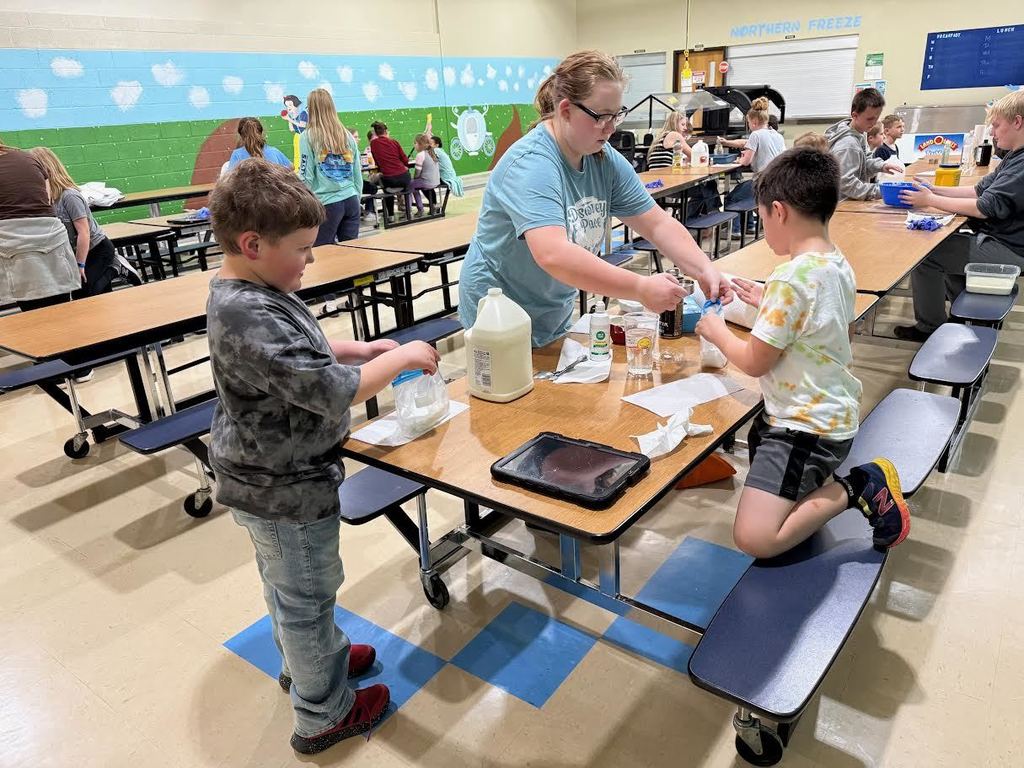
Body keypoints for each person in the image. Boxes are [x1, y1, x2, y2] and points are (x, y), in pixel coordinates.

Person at [206, 159, 440, 755]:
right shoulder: (248, 309)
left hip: (264, 478)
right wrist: (401, 356)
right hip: (283, 487)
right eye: (303, 249)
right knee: (307, 595)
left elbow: (301, 349)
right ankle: (323, 712)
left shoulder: (254, 291)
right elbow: (333, 389)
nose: (311, 260)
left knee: (289, 590)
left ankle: (313, 663)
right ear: (253, 244)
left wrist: (356, 346)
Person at [695, 147, 910, 557]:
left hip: (805, 427)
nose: (764, 230)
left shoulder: (791, 278)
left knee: (755, 538)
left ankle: (861, 485)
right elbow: (833, 327)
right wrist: (768, 302)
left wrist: (716, 331)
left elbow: (755, 362)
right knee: (768, 477)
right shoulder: (835, 262)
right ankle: (797, 496)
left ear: (779, 211)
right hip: (828, 412)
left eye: (761, 218)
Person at [459, 50, 731, 348]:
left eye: (617, 115)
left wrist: (705, 269)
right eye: (601, 117)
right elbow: (553, 254)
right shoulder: (532, 163)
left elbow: (657, 224)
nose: (612, 127)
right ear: (565, 110)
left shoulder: (603, 159)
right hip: (499, 312)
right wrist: (640, 287)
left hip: (550, 308)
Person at [894, 89, 1024, 342]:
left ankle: (929, 327)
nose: (993, 134)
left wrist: (929, 200)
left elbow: (983, 207)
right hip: (1004, 241)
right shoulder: (1014, 158)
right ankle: (962, 314)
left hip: (1013, 250)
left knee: (926, 256)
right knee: (947, 247)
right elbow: (978, 190)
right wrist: (934, 189)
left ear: (1017, 122)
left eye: (997, 126)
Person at [0, 138, 80, 312]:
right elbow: (48, 199)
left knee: (35, 317)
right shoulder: (27, 158)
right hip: (53, 240)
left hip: (16, 247)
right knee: (63, 311)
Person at [30, 147, 121, 298]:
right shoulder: (48, 200)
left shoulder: (70, 196)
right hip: (75, 252)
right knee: (92, 293)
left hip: (97, 248)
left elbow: (84, 233)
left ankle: (117, 268)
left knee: (84, 291)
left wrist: (80, 265)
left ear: (47, 170)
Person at [299, 88, 363, 245]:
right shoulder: (347, 135)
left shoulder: (307, 136)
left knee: (323, 255)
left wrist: (302, 207)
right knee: (351, 253)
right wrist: (356, 197)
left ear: (312, 109)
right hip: (351, 200)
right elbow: (357, 172)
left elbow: (306, 176)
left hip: (327, 204)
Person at [722, 96, 786, 238]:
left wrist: (740, 159)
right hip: (778, 182)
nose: (749, 125)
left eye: (749, 122)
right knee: (743, 192)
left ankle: (735, 230)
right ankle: (750, 226)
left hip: (762, 182)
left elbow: (745, 162)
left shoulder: (755, 135)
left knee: (732, 197)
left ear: (755, 121)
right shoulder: (777, 135)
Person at [825, 88, 903, 200]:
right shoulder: (848, 144)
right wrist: (879, 191)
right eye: (870, 119)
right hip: (843, 206)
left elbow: (864, 162)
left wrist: (882, 166)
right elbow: (846, 183)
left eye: (876, 118)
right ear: (855, 115)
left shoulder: (860, 134)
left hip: (852, 202)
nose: (874, 123)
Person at [369, 121, 412, 219]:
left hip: (389, 180)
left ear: (375, 133)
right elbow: (405, 160)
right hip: (404, 179)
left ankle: (391, 215)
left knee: (386, 188)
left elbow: (378, 163)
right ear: (386, 131)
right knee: (404, 183)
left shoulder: (373, 144)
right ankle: (408, 211)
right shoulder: (394, 142)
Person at [227, 117, 292, 172]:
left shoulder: (237, 155)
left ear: (241, 136)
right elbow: (291, 167)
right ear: (261, 133)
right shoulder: (274, 151)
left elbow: (230, 177)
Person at [410, 133, 440, 215]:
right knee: (419, 184)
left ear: (420, 144)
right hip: (436, 181)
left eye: (415, 143)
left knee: (410, 184)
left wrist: (414, 179)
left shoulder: (420, 155)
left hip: (427, 182)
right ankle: (434, 205)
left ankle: (419, 209)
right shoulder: (432, 152)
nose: (414, 145)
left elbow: (417, 174)